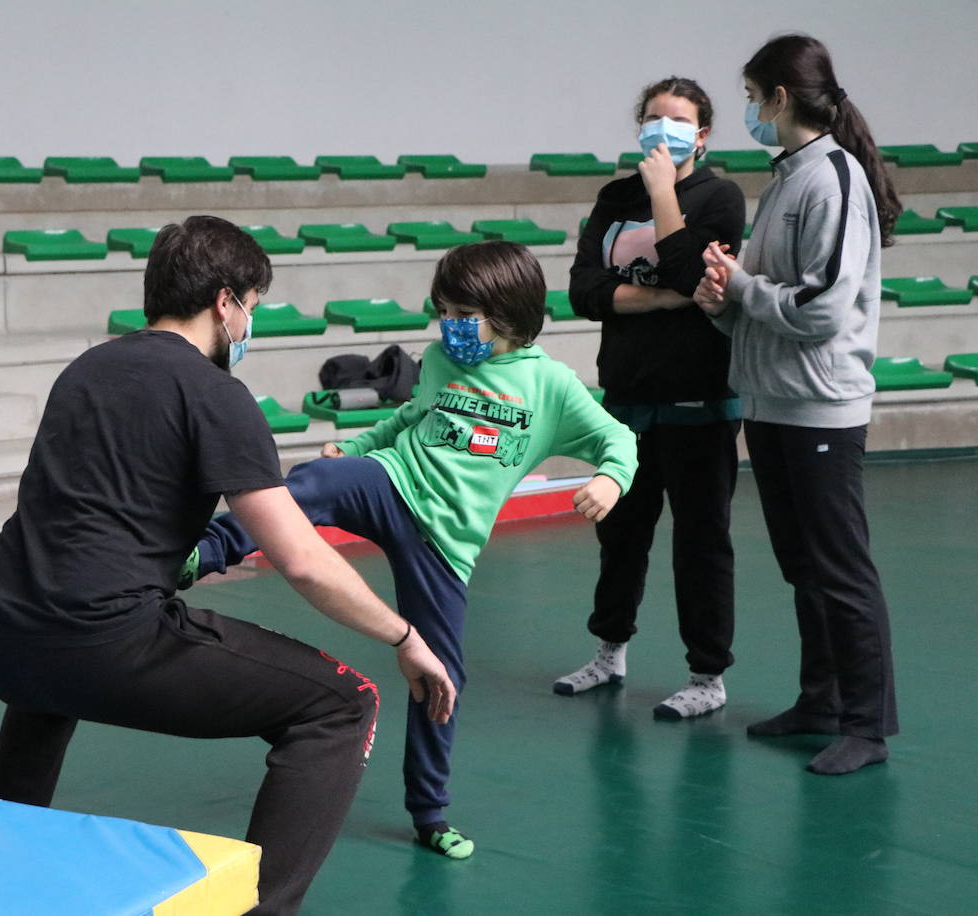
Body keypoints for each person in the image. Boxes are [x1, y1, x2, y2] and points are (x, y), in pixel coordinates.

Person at [0, 214, 458, 915]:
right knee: (344, 705)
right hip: (102, 645)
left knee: (53, 665)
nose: (249, 326)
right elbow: (304, 562)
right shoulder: (215, 394)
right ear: (226, 303)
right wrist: (406, 638)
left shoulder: (87, 369)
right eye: (252, 309)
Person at [185, 241, 638, 858]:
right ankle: (206, 552)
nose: (450, 327)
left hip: (446, 544)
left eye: (465, 314)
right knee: (309, 484)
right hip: (390, 483)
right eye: (444, 311)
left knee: (440, 678)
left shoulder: (550, 385)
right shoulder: (438, 359)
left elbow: (619, 438)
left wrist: (610, 478)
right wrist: (356, 447)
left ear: (509, 315)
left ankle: (430, 813)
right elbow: (409, 421)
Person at [693, 34, 901, 775]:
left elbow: (820, 307)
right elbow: (768, 294)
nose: (750, 109)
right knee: (802, 566)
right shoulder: (785, 178)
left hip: (821, 408)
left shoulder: (833, 178)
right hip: (772, 402)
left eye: (752, 98)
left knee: (841, 569)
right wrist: (722, 298)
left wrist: (743, 289)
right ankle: (822, 700)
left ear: (781, 98)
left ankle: (868, 725)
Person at [557, 77, 746, 719]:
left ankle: (707, 676)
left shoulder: (718, 196)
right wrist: (665, 299)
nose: (663, 128)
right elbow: (584, 290)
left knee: (701, 542)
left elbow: (695, 273)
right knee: (620, 534)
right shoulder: (614, 197)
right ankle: (610, 654)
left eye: (679, 119)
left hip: (700, 405)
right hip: (626, 402)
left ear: (702, 134)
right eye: (653, 116)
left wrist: (666, 196)